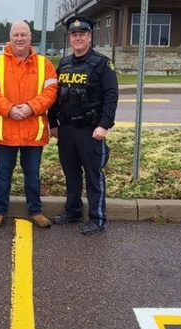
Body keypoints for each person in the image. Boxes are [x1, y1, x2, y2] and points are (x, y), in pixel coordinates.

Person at [0, 20, 58, 229]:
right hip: (5, 130)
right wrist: (9, 109)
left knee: (32, 175)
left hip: (33, 131)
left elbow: (50, 93)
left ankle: (35, 211)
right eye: (16, 35)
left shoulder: (45, 64)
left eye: (23, 34)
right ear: (10, 37)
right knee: (3, 173)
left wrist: (31, 107)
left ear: (30, 37)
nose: (20, 38)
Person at [49, 16, 118, 235]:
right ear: (70, 37)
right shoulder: (65, 63)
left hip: (91, 129)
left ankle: (97, 217)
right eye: (74, 34)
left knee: (93, 174)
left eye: (82, 34)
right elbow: (55, 95)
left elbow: (111, 96)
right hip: (67, 129)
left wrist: (104, 125)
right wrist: (52, 123)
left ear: (89, 36)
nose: (78, 38)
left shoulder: (102, 63)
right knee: (71, 173)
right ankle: (73, 210)